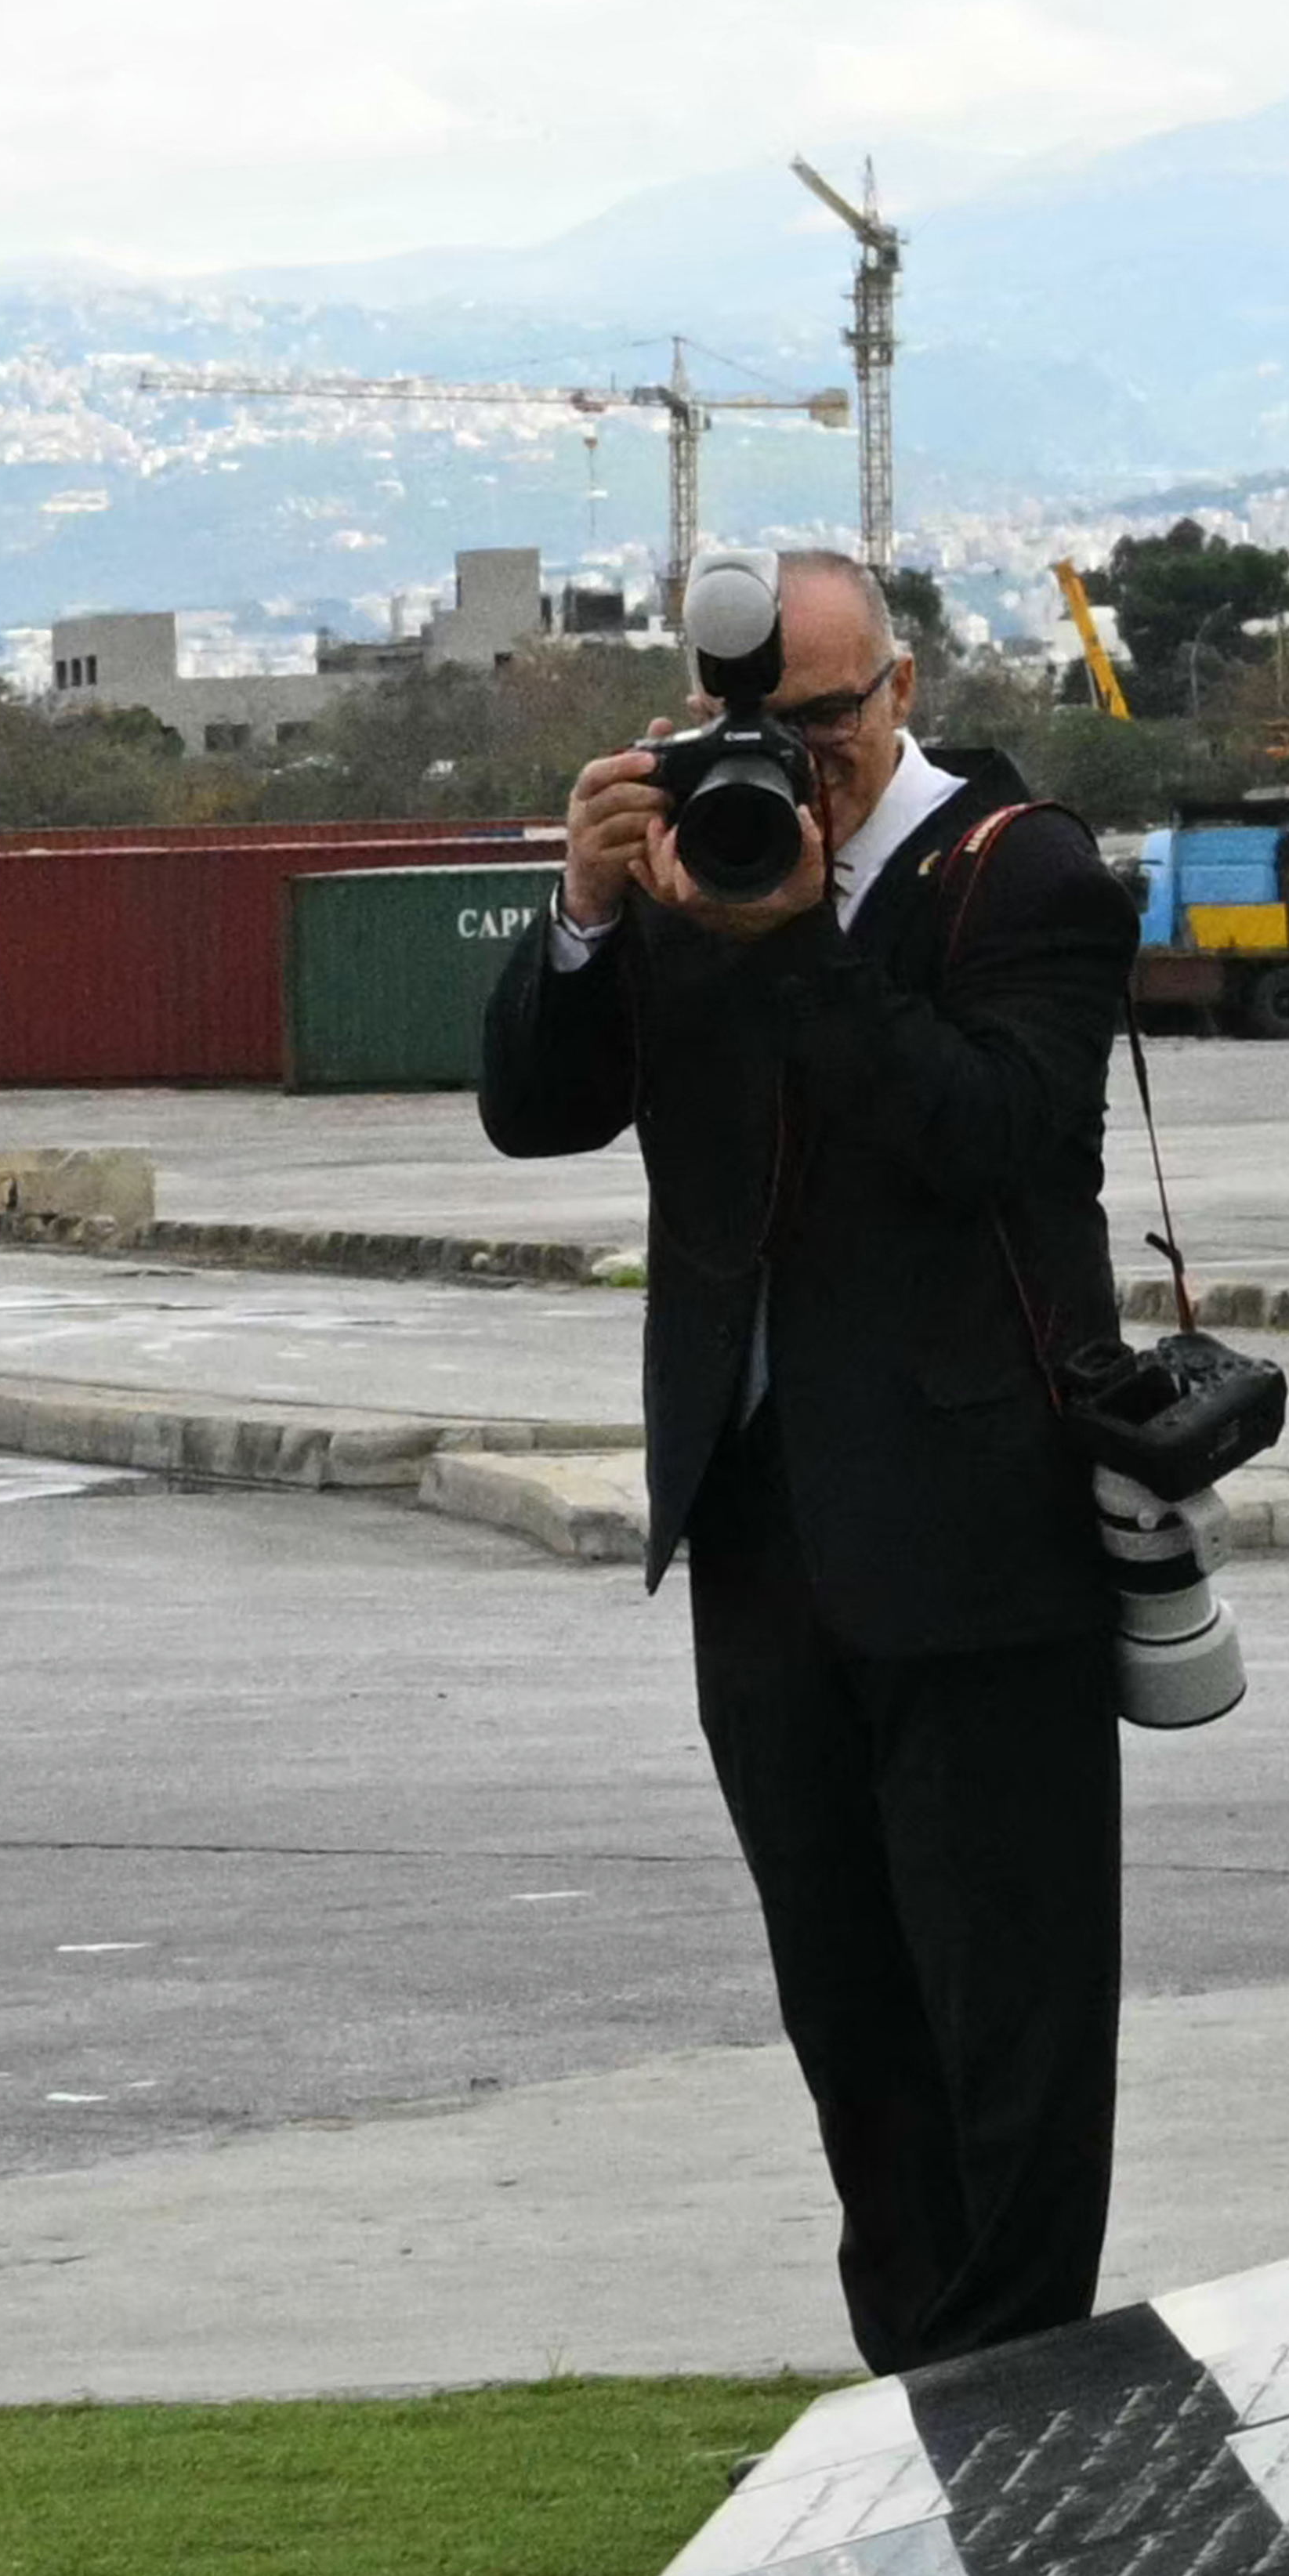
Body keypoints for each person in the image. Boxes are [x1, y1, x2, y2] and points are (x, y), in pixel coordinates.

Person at [476, 547, 1142, 2375]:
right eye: (747, 725)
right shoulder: (696, 869)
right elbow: (536, 1112)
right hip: (756, 1527)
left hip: (979, 1528)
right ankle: (912, 2388)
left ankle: (1018, 2392)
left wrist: (800, 947)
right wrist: (591, 913)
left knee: (1004, 2010)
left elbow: (991, 1136)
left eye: (826, 719)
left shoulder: (1026, 878)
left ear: (902, 690)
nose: (793, 758)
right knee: (842, 2008)